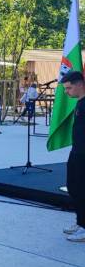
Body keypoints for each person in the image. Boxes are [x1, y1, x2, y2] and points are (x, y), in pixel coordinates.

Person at [60, 71, 85, 242]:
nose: (66, 92)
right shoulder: (80, 103)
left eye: (68, 88)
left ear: (79, 84)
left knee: (82, 190)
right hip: (77, 152)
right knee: (73, 186)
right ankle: (80, 221)